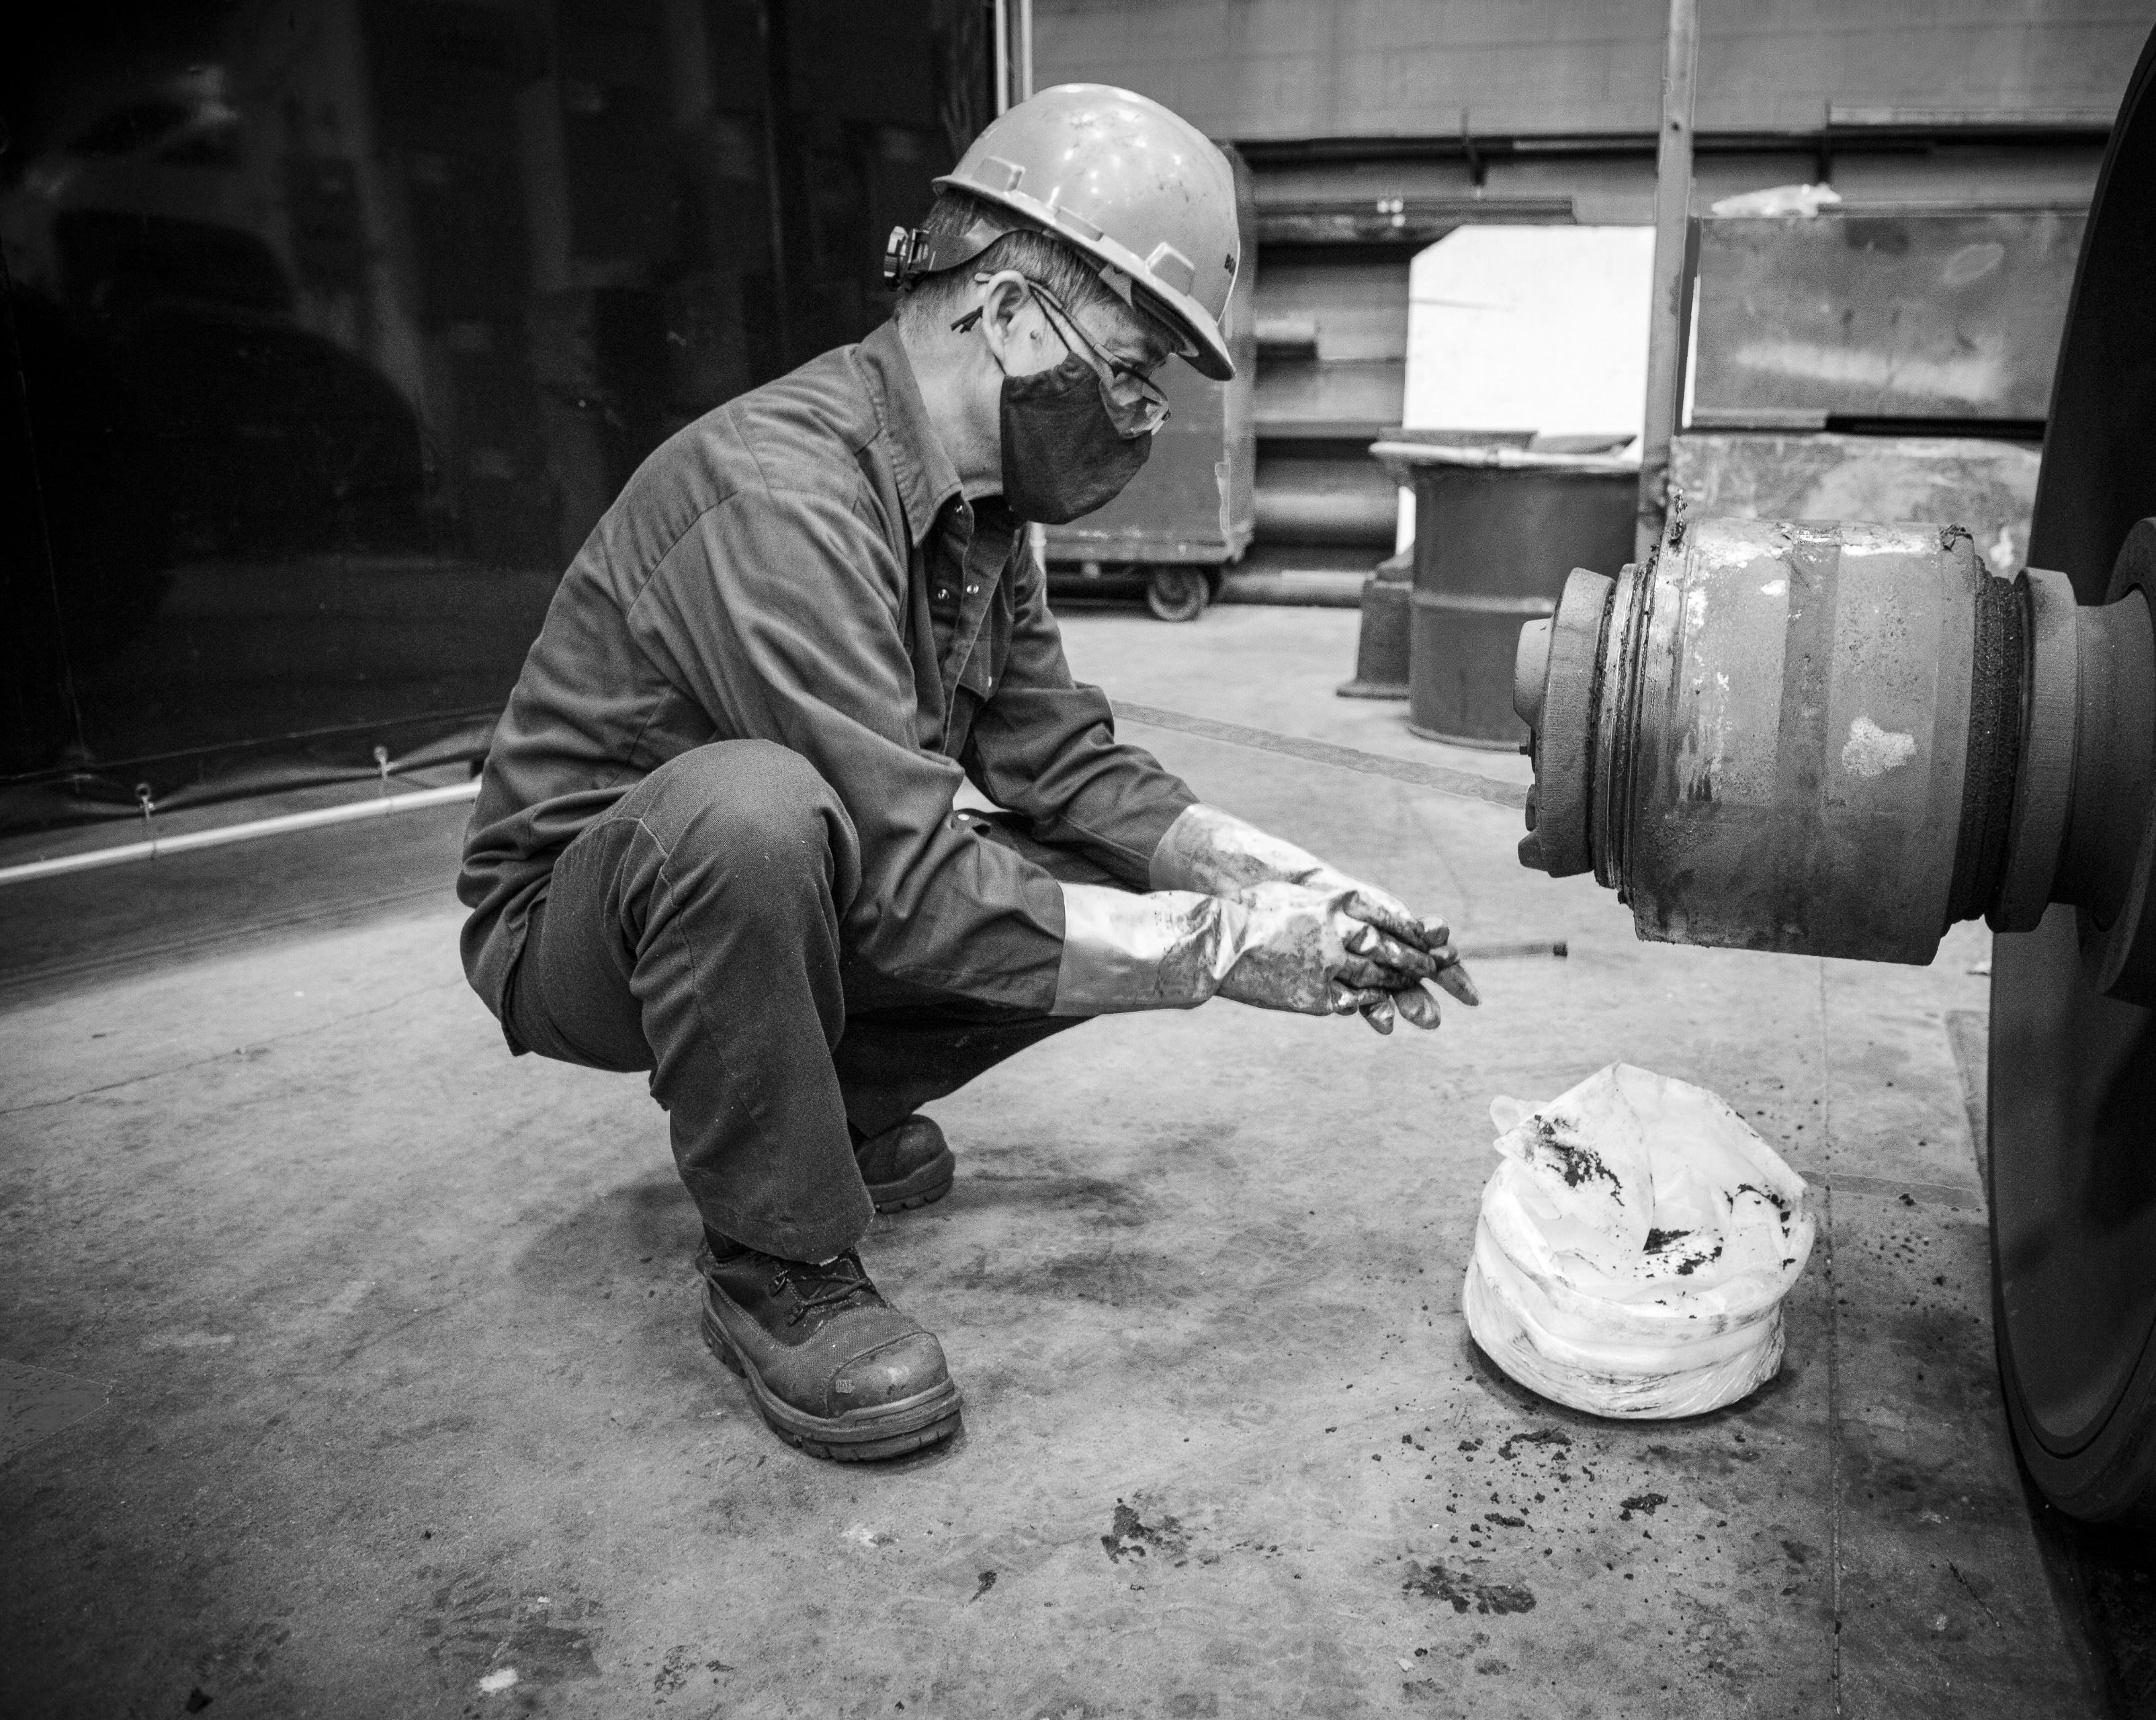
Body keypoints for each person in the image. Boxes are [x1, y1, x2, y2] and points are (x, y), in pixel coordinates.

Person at [454, 85, 1476, 1465]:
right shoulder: (787, 492)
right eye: (1125, 368)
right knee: (755, 810)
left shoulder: (981, 510)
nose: (1134, 416)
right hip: (590, 918)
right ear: (1002, 310)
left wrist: (1285, 882)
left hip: (795, 884)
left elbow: (1069, 761)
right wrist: (1225, 948)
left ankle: (822, 1107)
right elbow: (902, 877)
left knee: (1106, 868)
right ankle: (777, 1258)